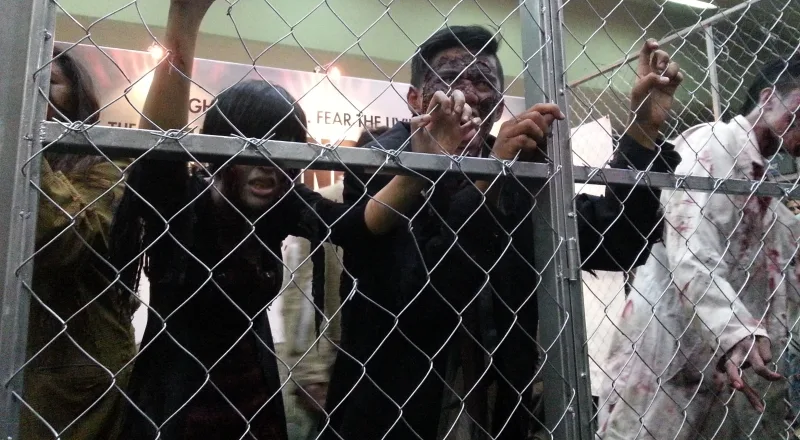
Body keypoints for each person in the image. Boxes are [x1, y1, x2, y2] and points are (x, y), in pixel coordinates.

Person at [113, 0, 477, 440]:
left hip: (256, 400)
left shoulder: (281, 204)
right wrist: (185, 16)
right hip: (175, 402)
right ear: (221, 151)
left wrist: (423, 165)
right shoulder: (184, 200)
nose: (269, 166)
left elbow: (358, 226)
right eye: (252, 148)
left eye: (284, 150)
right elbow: (158, 151)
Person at [323, 25, 684, 440]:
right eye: (451, 81)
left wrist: (641, 134)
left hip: (497, 409)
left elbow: (616, 242)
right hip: (395, 407)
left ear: (498, 103)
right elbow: (418, 297)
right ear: (415, 99)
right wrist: (489, 179)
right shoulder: (379, 165)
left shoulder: (515, 163)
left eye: (483, 83)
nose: (469, 96)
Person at [596, 57, 800, 440]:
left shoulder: (766, 189)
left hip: (721, 366)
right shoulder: (711, 144)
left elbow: (786, 263)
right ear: (768, 99)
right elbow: (691, 249)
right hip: (667, 348)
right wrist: (734, 329)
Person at [21, 48, 136, 439]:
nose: (31, 89)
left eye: (46, 82)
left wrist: (23, 133)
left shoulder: (108, 163)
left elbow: (62, 239)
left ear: (78, 96)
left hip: (71, 381)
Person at [279, 127, 388, 440]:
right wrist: (309, 373)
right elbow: (300, 289)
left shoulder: (405, 207)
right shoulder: (327, 204)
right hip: (330, 364)